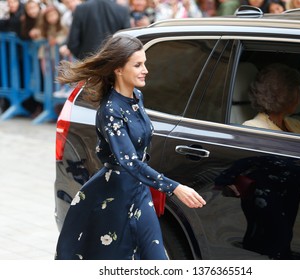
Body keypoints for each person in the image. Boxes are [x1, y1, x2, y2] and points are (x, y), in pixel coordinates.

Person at [54, 34, 206, 260]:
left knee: (157, 259)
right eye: (138, 65)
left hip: (139, 191)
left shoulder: (137, 96)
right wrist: (174, 187)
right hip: (114, 195)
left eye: (144, 63)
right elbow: (129, 162)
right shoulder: (110, 110)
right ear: (118, 69)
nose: (145, 69)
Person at [243, 63, 300, 134]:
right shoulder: (253, 128)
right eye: (297, 93)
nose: (298, 101)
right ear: (284, 97)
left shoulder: (296, 124)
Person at [66, 0, 131, 60]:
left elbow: (72, 42)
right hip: (112, 61)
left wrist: (83, 58)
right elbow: (127, 39)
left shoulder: (81, 9)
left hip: (88, 61)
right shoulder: (121, 10)